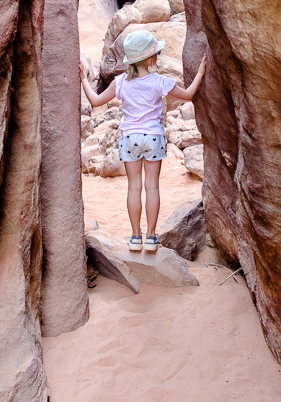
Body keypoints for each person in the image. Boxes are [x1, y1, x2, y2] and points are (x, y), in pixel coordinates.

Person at [81, 29, 206, 252]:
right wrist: (200, 73)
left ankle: (135, 237)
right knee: (152, 187)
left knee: (134, 188)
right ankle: (150, 238)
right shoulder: (159, 81)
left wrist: (83, 79)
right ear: (149, 58)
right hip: (154, 136)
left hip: (129, 137)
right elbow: (187, 95)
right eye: (155, 53)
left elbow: (96, 100)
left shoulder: (120, 82)